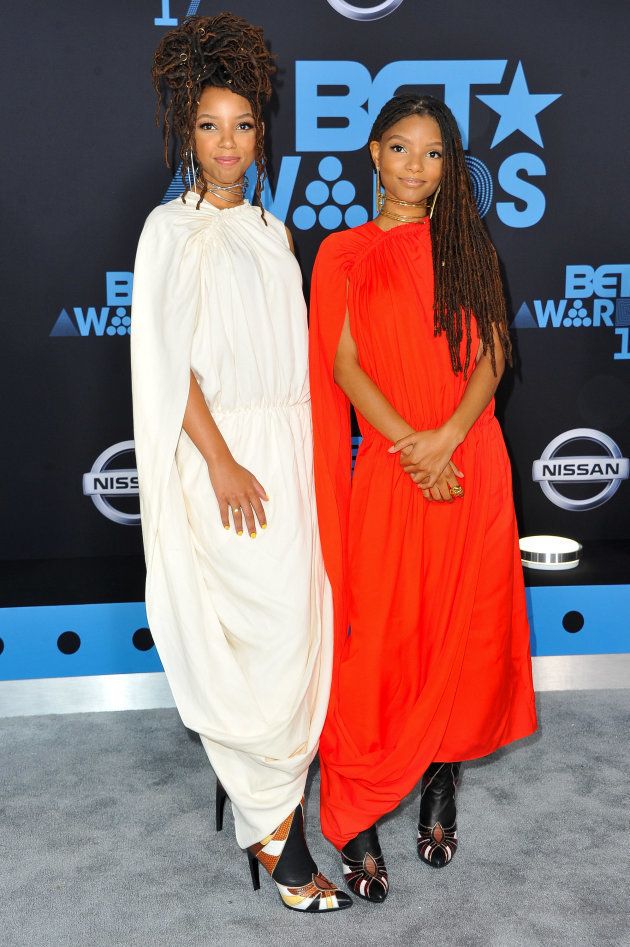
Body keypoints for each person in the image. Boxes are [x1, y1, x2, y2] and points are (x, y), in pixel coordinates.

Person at [131, 13, 350, 913]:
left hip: (290, 453)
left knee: (298, 633)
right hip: (220, 456)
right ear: (187, 131)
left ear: (265, 131)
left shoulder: (273, 230)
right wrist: (220, 460)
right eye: (210, 126)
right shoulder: (166, 232)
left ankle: (275, 796)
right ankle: (272, 828)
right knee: (252, 636)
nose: (228, 144)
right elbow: (163, 363)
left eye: (245, 125)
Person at [309, 92, 537, 902]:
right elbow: (343, 368)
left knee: (459, 634)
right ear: (373, 154)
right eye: (400, 148)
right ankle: (357, 818)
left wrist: (443, 441)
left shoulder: (468, 247)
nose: (416, 165)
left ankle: (440, 785)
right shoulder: (341, 253)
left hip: (469, 462)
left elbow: (494, 356)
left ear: (450, 167)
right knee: (375, 644)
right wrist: (413, 444)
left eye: (434, 152)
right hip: (394, 467)